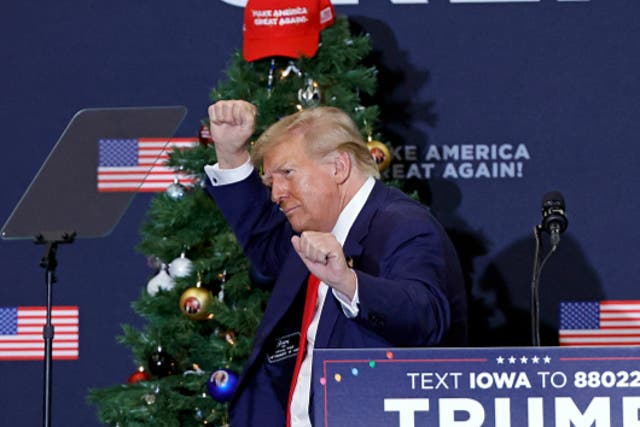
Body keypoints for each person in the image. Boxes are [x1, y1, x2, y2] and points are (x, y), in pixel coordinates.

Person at [204, 100, 467, 427]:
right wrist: (230, 154)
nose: (276, 194)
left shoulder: (403, 225)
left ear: (339, 167)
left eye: (287, 173)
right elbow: (266, 244)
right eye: (271, 181)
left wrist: (348, 282)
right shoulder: (315, 226)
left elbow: (428, 317)